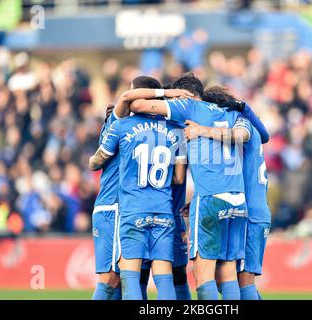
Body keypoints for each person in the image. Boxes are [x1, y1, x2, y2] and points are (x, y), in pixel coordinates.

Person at [128, 73, 247, 300]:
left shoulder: (189, 107)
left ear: (185, 95)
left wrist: (167, 94)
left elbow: (137, 104)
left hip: (207, 199)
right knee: (228, 268)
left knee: (202, 274)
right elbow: (256, 134)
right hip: (237, 199)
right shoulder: (232, 114)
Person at [90, 76, 192, 300]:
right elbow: (178, 177)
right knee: (164, 275)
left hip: (128, 207)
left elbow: (94, 163)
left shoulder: (121, 124)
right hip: (158, 208)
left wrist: (93, 160)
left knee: (127, 276)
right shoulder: (175, 129)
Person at [184, 86, 272, 300]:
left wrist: (202, 130)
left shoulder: (235, 130)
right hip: (254, 210)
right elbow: (265, 134)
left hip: (248, 210)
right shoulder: (249, 125)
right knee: (237, 279)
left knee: (242, 281)